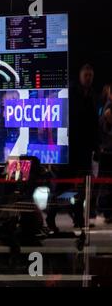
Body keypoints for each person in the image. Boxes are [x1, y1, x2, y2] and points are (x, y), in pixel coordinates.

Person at [67, 63, 99, 228]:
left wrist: (96, 146)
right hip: (72, 146)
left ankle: (79, 217)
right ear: (80, 75)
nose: (88, 78)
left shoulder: (92, 94)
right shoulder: (72, 92)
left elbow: (94, 123)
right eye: (86, 75)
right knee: (66, 184)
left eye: (91, 75)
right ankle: (57, 215)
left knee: (83, 185)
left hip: (86, 148)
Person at [97, 102, 112, 223]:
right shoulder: (107, 110)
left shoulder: (106, 109)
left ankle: (107, 212)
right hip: (107, 153)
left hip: (106, 152)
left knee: (106, 184)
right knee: (106, 184)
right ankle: (107, 212)